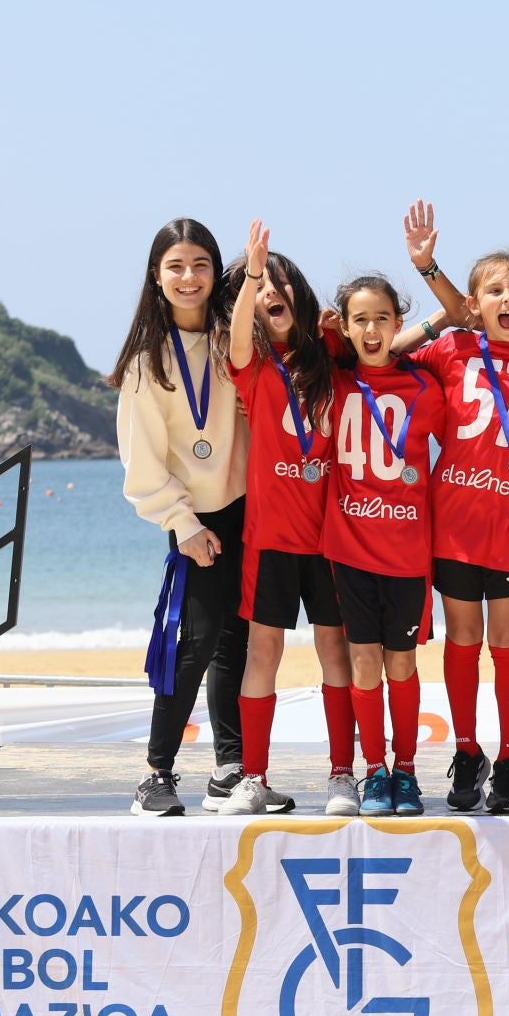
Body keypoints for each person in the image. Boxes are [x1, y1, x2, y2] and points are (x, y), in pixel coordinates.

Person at [401, 204, 509, 812]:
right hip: (456, 527)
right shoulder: (454, 351)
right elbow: (392, 352)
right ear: (474, 303)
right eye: (494, 290)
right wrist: (442, 309)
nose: (507, 297)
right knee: (463, 640)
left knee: (508, 641)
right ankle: (468, 750)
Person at [112, 219, 248, 817]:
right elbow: (139, 462)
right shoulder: (147, 363)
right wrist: (183, 524)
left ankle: (230, 771)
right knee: (191, 644)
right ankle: (156, 775)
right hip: (197, 518)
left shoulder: (234, 339)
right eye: (176, 266)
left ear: (217, 271)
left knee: (236, 644)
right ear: (156, 275)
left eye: (200, 264)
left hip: (252, 508)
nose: (189, 277)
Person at [219, 222, 354, 817]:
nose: (272, 291)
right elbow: (242, 337)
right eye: (261, 287)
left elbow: (381, 341)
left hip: (328, 539)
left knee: (336, 652)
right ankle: (253, 778)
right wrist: (251, 273)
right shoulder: (250, 363)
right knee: (262, 653)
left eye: (281, 282)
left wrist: (341, 327)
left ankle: (344, 775)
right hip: (270, 536)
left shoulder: (327, 353)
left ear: (298, 292)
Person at [325, 275, 447, 818]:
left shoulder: (425, 388)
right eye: (359, 320)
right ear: (345, 326)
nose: (371, 330)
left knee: (402, 666)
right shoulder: (334, 379)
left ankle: (406, 771)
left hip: (407, 554)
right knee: (363, 663)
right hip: (350, 551)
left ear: (398, 324)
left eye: (382, 319)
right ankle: (373, 771)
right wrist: (326, 333)